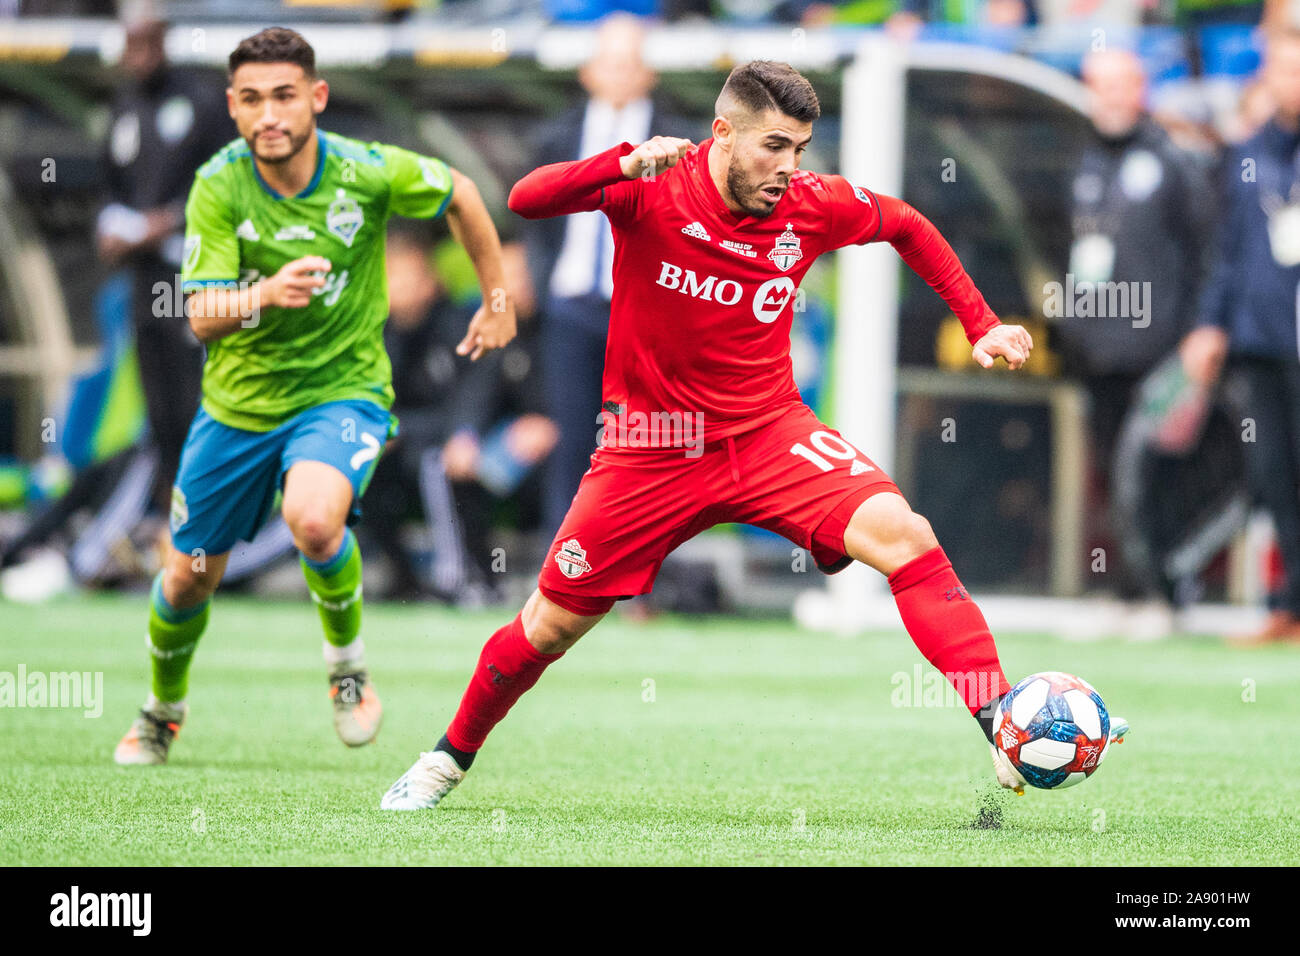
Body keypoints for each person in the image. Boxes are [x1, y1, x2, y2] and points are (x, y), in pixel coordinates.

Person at [381, 60, 1123, 810]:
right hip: (649, 448)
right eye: (774, 145)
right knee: (546, 629)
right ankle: (446, 759)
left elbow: (904, 224)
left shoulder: (808, 204)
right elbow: (526, 197)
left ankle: (999, 720)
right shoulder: (651, 184)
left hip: (768, 433)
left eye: (800, 147)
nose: (788, 168)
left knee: (906, 536)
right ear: (723, 133)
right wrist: (619, 162)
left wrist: (982, 321)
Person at [113, 27, 515, 764]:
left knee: (315, 519)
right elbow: (200, 316)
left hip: (342, 393)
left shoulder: (365, 171)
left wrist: (495, 299)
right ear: (233, 108)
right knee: (187, 577)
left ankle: (347, 672)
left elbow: (459, 191)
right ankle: (161, 709)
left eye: (285, 97)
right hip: (237, 408)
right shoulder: (218, 185)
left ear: (316, 100)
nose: (270, 114)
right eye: (253, 100)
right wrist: (265, 293)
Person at [1059, 49, 1212, 633]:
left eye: (1121, 86)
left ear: (1141, 89)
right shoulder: (1087, 162)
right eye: (1101, 87)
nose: (1111, 99)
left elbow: (1204, 252)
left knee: (1145, 473)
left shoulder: (1173, 162)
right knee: (1109, 476)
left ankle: (1165, 595)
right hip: (1099, 353)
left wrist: (1199, 335)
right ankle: (1125, 591)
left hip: (1160, 352)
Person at [526, 13, 693, 539]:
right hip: (571, 307)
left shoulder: (680, 141)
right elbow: (535, 212)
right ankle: (562, 570)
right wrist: (534, 277)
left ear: (649, 74)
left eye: (631, 63)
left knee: (648, 441)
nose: (620, 74)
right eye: (610, 62)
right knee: (571, 438)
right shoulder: (557, 136)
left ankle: (637, 571)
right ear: (588, 72)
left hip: (645, 312)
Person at [1182, 27, 1300, 644]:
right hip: (1260, 341)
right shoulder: (1249, 153)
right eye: (1284, 70)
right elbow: (1226, 253)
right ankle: (1290, 606)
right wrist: (1210, 324)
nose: (1293, 81)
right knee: (1276, 476)